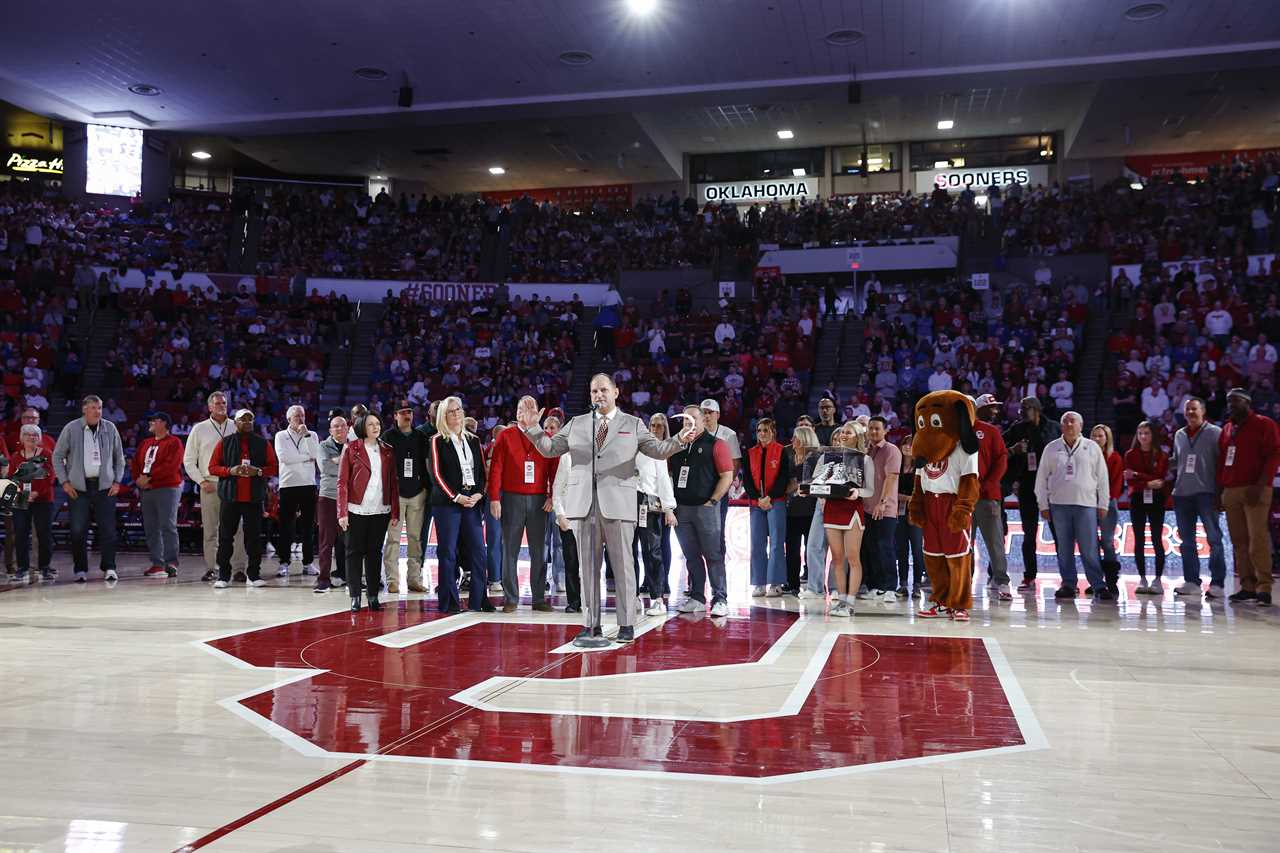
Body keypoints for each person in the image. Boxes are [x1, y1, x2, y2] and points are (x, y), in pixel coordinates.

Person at [518, 377, 692, 643]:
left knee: (623, 566)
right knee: (586, 568)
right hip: (583, 504)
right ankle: (591, 624)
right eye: (593, 390)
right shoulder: (577, 423)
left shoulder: (632, 424)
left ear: (615, 392)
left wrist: (680, 438)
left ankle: (626, 624)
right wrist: (533, 428)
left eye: (603, 390)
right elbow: (550, 449)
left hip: (619, 505)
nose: (598, 394)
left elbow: (658, 450)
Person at [662, 403, 733, 620]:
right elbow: (665, 475)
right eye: (685, 419)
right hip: (682, 509)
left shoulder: (716, 444)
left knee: (713, 554)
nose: (689, 423)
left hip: (706, 508)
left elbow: (727, 476)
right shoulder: (675, 445)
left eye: (693, 419)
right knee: (691, 556)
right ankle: (697, 597)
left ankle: (720, 598)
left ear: (704, 421)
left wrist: (712, 501)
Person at [1033, 411, 1111, 601]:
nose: (1069, 424)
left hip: (1086, 505)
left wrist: (1103, 503)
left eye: (1072, 421)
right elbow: (1041, 479)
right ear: (1061, 426)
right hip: (1059, 505)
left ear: (1081, 426)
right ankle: (1068, 584)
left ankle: (1098, 585)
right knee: (1064, 549)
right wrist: (1043, 504)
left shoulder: (1092, 447)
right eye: (1065, 421)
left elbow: (1103, 478)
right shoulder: (1051, 448)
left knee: (1089, 548)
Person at [489, 398, 557, 612]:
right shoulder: (505, 436)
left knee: (539, 551)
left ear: (538, 414)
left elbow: (554, 471)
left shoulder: (545, 438)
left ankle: (538, 598)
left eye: (530, 409)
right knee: (510, 549)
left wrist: (552, 496)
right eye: (520, 409)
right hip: (511, 498)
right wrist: (494, 498)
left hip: (539, 500)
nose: (524, 413)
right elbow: (496, 468)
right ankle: (511, 597)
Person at [429, 396, 495, 614]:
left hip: (472, 503)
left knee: (478, 551)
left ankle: (479, 600)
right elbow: (437, 474)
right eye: (451, 411)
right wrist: (456, 496)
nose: (456, 414)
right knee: (447, 552)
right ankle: (448, 602)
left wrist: (478, 494)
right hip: (448, 504)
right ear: (443, 416)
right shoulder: (437, 440)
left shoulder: (474, 440)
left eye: (458, 410)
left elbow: (482, 474)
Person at [52, 395, 125, 583]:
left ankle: (109, 567)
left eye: (99, 407)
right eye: (93, 407)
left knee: (108, 530)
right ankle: (80, 569)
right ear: (84, 409)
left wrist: (117, 481)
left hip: (104, 487)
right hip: (78, 487)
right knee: (77, 530)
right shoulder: (71, 428)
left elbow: (120, 458)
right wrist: (65, 482)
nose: (97, 411)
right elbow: (57, 456)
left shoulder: (110, 428)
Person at [1219, 388, 1280, 606]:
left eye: (1235, 402)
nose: (1230, 406)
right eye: (1228, 402)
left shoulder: (1264, 423)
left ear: (1247, 403)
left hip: (1256, 488)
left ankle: (1264, 586)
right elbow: (1222, 460)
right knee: (1239, 542)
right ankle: (1247, 586)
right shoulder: (1226, 429)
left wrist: (1261, 484)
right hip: (1231, 489)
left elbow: (1274, 453)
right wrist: (1221, 490)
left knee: (1258, 539)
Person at [208, 409, 279, 589]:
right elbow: (212, 467)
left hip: (253, 498)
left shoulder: (263, 443)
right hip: (230, 497)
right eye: (243, 419)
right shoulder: (225, 443)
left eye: (250, 419)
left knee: (254, 538)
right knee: (225, 537)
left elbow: (274, 467)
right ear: (236, 422)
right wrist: (229, 471)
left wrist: (259, 471)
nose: (247, 422)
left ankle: (253, 575)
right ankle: (223, 575)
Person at [183, 391, 248, 583]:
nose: (222, 406)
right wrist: (201, 481)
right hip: (209, 483)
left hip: (233, 483)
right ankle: (212, 568)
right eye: (218, 403)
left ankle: (238, 569)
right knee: (211, 530)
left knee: (237, 528)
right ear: (209, 407)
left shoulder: (236, 427)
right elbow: (188, 460)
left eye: (224, 403)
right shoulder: (199, 429)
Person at [338, 412, 399, 612]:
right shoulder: (351, 448)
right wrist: (342, 512)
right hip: (356, 509)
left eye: (378, 424)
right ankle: (355, 595)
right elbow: (342, 483)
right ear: (362, 427)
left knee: (374, 553)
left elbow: (393, 483)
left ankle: (373, 596)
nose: (376, 427)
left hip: (380, 510)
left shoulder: (388, 450)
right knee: (353, 553)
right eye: (371, 424)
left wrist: (395, 512)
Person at [1171, 398, 1226, 599]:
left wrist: (1222, 492)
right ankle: (1192, 582)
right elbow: (1176, 462)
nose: (1190, 413)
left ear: (1203, 411)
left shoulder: (1215, 432)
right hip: (1182, 494)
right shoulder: (1179, 434)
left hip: (1207, 493)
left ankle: (1218, 583)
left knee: (1214, 539)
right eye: (1187, 410)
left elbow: (1222, 463)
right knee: (1187, 541)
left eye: (1194, 409)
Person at [1003, 396, 1060, 592]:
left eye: (1025, 408)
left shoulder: (1053, 427)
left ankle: (1067, 579)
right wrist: (1015, 452)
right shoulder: (1017, 429)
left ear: (1036, 408)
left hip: (1051, 487)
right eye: (1020, 408)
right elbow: (1000, 447)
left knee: (1058, 534)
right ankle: (1029, 576)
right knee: (1029, 534)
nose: (1021, 411)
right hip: (1027, 486)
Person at [823, 423, 877, 617]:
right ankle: (841, 601)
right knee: (837, 559)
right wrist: (810, 490)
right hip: (832, 509)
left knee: (853, 557)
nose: (844, 435)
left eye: (848, 432)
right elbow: (819, 481)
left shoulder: (865, 459)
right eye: (842, 432)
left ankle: (850, 603)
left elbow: (870, 490)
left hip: (852, 510)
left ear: (858, 436)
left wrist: (857, 492)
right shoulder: (829, 457)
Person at [382, 400, 429, 594]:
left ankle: (414, 579)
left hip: (417, 493)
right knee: (393, 538)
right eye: (402, 412)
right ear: (395, 416)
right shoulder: (388, 436)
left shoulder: (420, 436)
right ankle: (393, 579)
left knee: (415, 538)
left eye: (409, 411)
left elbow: (426, 465)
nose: (407, 415)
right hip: (396, 495)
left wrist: (426, 489)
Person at [743, 418, 792, 597]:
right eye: (759, 430)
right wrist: (757, 498)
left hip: (776, 501)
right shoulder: (750, 453)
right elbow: (747, 479)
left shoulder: (781, 451)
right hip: (756, 503)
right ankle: (759, 583)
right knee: (757, 543)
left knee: (777, 543)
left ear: (773, 431)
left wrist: (770, 497)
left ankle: (776, 583)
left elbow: (783, 478)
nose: (762, 434)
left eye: (765, 430)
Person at [132, 412, 185, 578]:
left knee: (167, 525)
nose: (151, 423)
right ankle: (157, 563)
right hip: (146, 489)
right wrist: (138, 480)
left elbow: (171, 466)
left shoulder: (174, 442)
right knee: (151, 527)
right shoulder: (145, 443)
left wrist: (149, 477)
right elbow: (135, 463)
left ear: (163, 423)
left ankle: (171, 562)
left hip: (166, 487)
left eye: (153, 421)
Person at [1123, 421, 1171, 595]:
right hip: (1137, 499)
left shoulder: (1161, 455)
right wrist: (1145, 481)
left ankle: (1158, 579)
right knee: (1139, 539)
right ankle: (1142, 578)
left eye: (1147, 433)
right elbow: (1130, 480)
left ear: (1153, 436)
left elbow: (1160, 479)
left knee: (1157, 539)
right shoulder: (1130, 455)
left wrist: (1138, 476)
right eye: (1140, 433)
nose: (1143, 436)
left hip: (1157, 500)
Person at [635, 420, 678, 615]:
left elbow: (663, 479)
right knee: (626, 552)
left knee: (652, 551)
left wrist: (669, 508)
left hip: (648, 503)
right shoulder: (625, 449)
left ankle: (658, 598)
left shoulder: (656, 450)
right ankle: (632, 596)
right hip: (625, 502)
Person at [273, 404, 321, 577]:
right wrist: (305, 458)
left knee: (308, 527)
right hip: (288, 485)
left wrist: (306, 436)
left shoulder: (312, 435)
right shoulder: (281, 436)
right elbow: (284, 458)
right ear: (289, 419)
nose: (301, 419)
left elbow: (315, 454)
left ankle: (308, 563)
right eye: (297, 416)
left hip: (308, 484)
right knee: (287, 526)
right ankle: (284, 563)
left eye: (302, 416)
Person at [972, 395, 1012, 600]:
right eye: (991, 408)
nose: (995, 411)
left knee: (995, 541)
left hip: (987, 496)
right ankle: (961, 581)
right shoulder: (956, 430)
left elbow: (1002, 459)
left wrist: (988, 483)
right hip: (962, 498)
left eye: (996, 408)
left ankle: (1002, 581)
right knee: (961, 544)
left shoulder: (992, 431)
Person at [860, 416, 902, 602]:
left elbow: (891, 477)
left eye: (877, 428)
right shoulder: (867, 451)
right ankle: (876, 587)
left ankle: (890, 588)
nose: (874, 432)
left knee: (885, 547)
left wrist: (882, 502)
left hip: (885, 509)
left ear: (885, 431)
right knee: (871, 548)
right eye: (871, 428)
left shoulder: (891, 450)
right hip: (867, 508)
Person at [10, 424, 55, 582]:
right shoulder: (16, 457)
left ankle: (44, 567)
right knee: (21, 533)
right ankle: (22, 568)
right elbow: (12, 478)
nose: (31, 437)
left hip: (42, 499)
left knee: (44, 533)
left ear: (39, 438)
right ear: (22, 438)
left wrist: (36, 493)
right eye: (28, 435)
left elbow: (50, 476)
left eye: (35, 435)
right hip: (21, 498)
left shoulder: (47, 454)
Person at [700, 398, 741, 560]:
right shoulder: (695, 432)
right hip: (699, 488)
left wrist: (727, 483)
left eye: (710, 412)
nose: (707, 416)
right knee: (698, 530)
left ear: (718, 414)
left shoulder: (728, 434)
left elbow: (736, 461)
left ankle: (719, 567)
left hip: (719, 488)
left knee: (718, 528)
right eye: (704, 412)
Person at [784, 425, 820, 595]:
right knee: (791, 549)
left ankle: (814, 585)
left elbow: (814, 484)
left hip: (811, 511)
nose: (792, 441)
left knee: (811, 549)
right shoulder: (789, 456)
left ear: (804, 440)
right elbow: (788, 484)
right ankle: (792, 583)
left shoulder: (816, 459)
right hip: (792, 511)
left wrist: (797, 485)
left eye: (795, 438)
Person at [314, 414, 348, 594]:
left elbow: (358, 469)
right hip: (328, 497)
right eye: (336, 426)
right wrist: (345, 464)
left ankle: (350, 578)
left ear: (348, 428)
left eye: (342, 426)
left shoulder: (354, 445)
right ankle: (323, 579)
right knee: (326, 541)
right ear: (330, 430)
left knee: (349, 542)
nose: (340, 429)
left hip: (349, 498)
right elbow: (325, 468)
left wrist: (337, 461)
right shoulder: (322, 446)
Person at [1090, 424, 1124, 596]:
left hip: (1108, 505)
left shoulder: (1115, 458)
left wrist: (1104, 502)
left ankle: (1111, 580)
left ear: (1107, 438)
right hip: (1088, 504)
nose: (1097, 439)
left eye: (1100, 436)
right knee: (1091, 544)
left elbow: (1117, 485)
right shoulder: (1086, 457)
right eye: (1094, 436)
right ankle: (1096, 581)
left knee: (1108, 543)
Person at [550, 439, 583, 614]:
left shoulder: (597, 458)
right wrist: (560, 514)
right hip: (568, 520)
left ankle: (589, 601)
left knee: (589, 565)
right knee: (571, 562)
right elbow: (557, 489)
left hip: (589, 520)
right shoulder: (566, 458)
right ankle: (574, 601)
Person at [894, 434, 925, 597]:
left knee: (917, 550)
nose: (907, 447)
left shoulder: (920, 468)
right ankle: (903, 584)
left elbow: (921, 492)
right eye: (904, 444)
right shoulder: (896, 467)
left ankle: (918, 585)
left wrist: (904, 497)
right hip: (898, 512)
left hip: (915, 513)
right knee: (901, 550)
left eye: (911, 444)